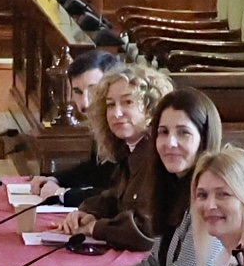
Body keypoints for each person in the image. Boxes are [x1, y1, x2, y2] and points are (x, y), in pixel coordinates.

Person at [52, 84, 227, 266]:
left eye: (183, 132)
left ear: (204, 139)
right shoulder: (172, 187)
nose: (170, 142)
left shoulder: (209, 201)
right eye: (163, 132)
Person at [68, 63, 175, 250]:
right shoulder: (130, 151)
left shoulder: (159, 156)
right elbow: (114, 198)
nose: (116, 113)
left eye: (128, 102)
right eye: (111, 104)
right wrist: (89, 213)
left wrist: (96, 227)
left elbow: (147, 230)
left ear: (151, 108)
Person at [34, 47, 132, 208]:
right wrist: (56, 179)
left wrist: (62, 195)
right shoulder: (102, 125)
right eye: (78, 92)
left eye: (93, 90)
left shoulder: (125, 128)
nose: (85, 103)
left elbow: (116, 194)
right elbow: (95, 170)